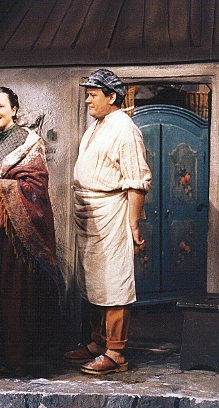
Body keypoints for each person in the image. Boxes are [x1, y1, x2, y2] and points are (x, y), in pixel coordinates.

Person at [0, 86, 61, 379]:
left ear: (14, 110)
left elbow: (36, 186)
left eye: (0, 106)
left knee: (15, 293)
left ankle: (17, 358)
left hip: (17, 235)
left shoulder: (29, 143)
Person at [64, 69, 152, 375]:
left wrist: (133, 225)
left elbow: (137, 182)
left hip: (112, 213)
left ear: (111, 96)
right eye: (87, 95)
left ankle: (116, 353)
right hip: (89, 214)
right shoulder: (96, 126)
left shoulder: (125, 129)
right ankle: (98, 342)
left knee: (114, 281)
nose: (88, 100)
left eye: (93, 95)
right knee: (93, 279)